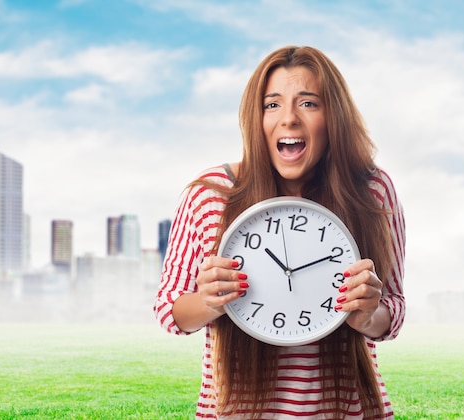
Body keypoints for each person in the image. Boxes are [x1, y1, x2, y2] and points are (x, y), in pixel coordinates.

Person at [154, 46, 405, 419]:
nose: (288, 119)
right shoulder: (210, 193)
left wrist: (368, 315)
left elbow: (395, 308)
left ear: (333, 116)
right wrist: (208, 302)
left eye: (308, 103)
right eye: (272, 105)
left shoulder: (372, 190)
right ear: (256, 119)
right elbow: (168, 311)